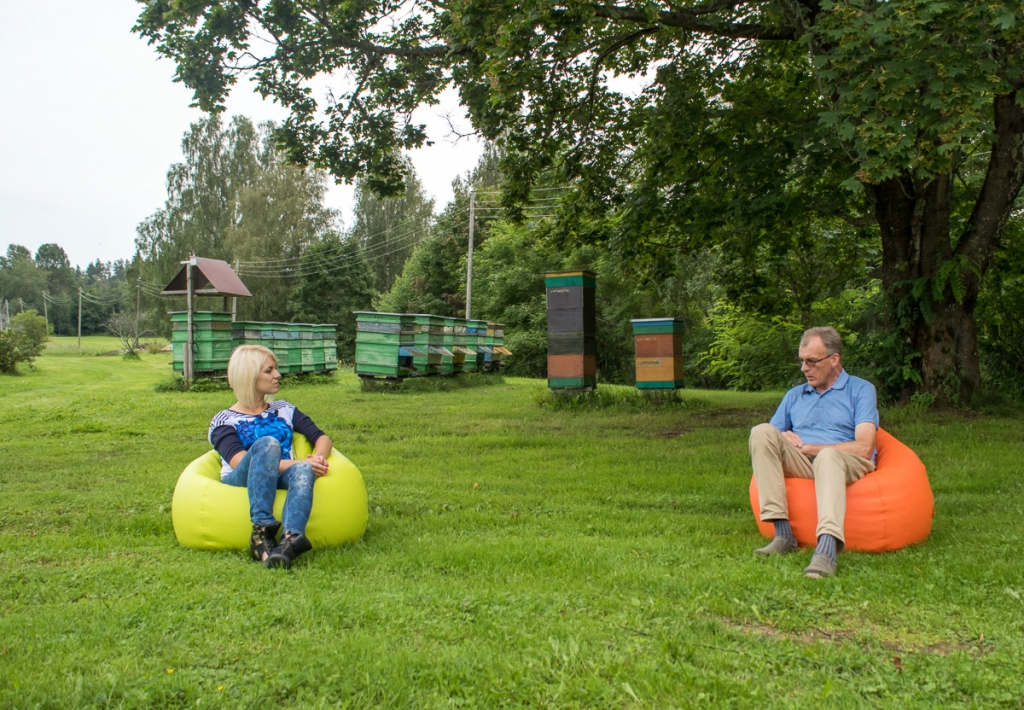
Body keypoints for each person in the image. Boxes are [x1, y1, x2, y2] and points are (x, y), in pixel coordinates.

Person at [749, 326, 878, 579]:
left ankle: (827, 549)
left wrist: (812, 448)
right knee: (760, 432)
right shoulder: (795, 395)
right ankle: (783, 534)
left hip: (845, 461)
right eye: (801, 361)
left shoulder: (860, 390)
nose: (804, 368)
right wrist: (783, 435)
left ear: (834, 360)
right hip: (803, 461)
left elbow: (865, 447)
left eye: (811, 361)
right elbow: (770, 440)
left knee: (827, 457)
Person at [208, 344, 333, 569]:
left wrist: (317, 460)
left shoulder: (284, 409)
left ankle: (290, 540)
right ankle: (262, 530)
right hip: (241, 477)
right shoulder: (223, 420)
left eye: (276, 369)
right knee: (268, 444)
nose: (277, 375)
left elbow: (322, 438)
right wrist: (300, 461)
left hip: (280, 474)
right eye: (269, 370)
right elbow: (239, 462)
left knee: (303, 470)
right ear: (249, 375)